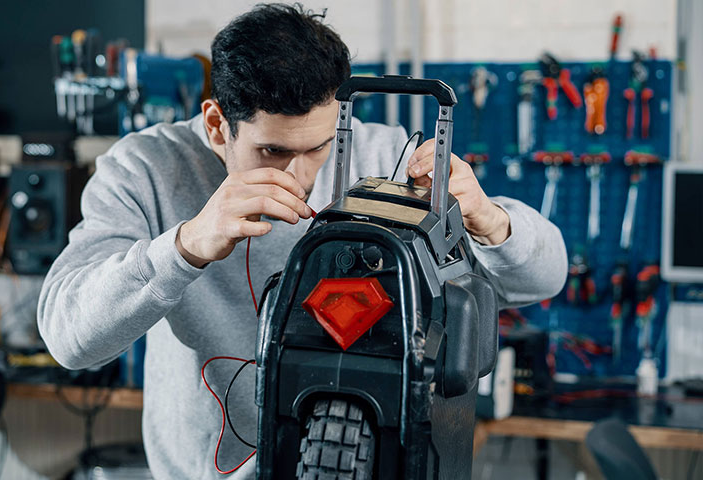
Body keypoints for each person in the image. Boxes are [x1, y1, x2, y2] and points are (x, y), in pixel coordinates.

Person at [38, 4, 567, 479]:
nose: (299, 176)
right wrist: (185, 246)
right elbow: (69, 340)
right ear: (218, 125)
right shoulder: (144, 169)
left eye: (317, 147)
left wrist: (486, 219)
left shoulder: (391, 163)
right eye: (271, 151)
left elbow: (546, 278)